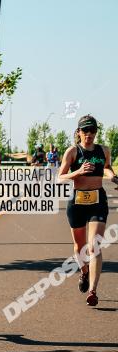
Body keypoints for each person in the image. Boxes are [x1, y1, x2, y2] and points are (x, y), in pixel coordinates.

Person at [58, 115, 118, 306]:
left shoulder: (103, 150)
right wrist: (78, 171)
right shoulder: (72, 152)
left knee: (94, 246)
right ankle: (84, 271)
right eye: (85, 130)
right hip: (76, 203)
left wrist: (113, 176)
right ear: (78, 132)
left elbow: (107, 168)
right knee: (79, 246)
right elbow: (60, 177)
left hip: (97, 201)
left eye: (92, 130)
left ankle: (92, 290)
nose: (89, 134)